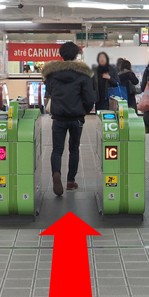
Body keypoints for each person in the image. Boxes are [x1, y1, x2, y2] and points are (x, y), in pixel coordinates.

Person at [41, 41, 95, 195]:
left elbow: (49, 92)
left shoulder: (52, 74)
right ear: (77, 54)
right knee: (74, 148)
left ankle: (56, 173)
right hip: (76, 117)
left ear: (61, 55)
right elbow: (89, 98)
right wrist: (82, 111)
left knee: (57, 149)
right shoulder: (84, 74)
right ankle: (70, 181)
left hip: (58, 117)